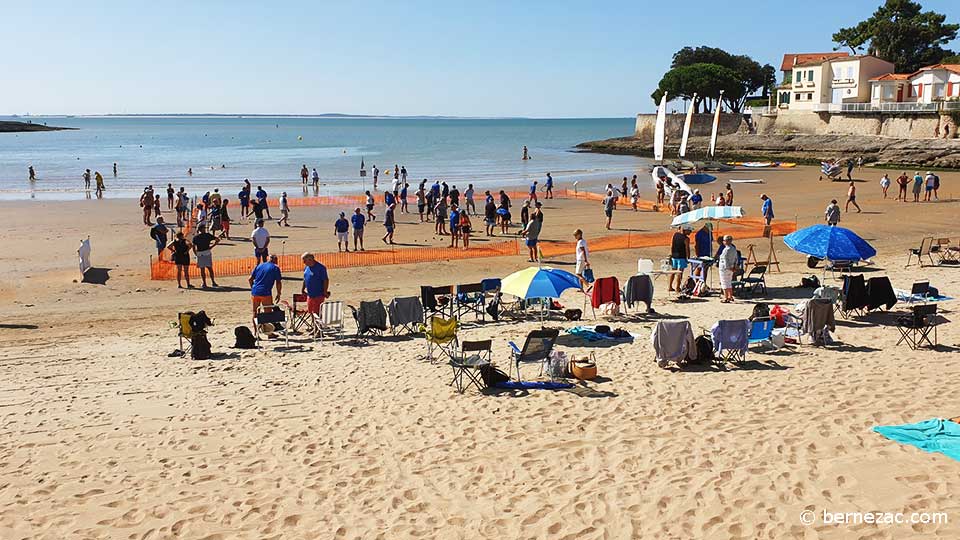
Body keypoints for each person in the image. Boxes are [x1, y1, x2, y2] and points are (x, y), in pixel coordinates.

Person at [249, 254, 282, 331]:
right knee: (268, 313)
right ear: (275, 260)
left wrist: (253, 288)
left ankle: (256, 332)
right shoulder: (275, 268)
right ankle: (269, 333)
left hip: (255, 292)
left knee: (255, 312)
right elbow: (278, 282)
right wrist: (279, 293)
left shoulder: (259, 266)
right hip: (266, 293)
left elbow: (250, 279)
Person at [301, 253, 330, 325]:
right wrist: (302, 289)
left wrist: (325, 291)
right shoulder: (306, 267)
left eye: (305, 260)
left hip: (318, 294)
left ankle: (319, 330)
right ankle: (314, 328)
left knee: (317, 313)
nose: (303, 262)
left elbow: (325, 280)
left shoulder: (321, 268)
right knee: (311, 312)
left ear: (310, 259)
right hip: (309, 294)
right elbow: (305, 279)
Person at [668, 226, 691, 294]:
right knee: (680, 272)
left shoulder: (675, 235)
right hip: (681, 257)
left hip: (674, 256)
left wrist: (671, 254)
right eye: (689, 230)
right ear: (685, 230)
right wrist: (688, 258)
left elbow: (671, 245)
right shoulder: (686, 239)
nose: (690, 232)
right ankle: (677, 288)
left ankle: (670, 286)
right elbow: (687, 249)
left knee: (673, 271)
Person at [718, 235, 738, 303]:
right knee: (729, 282)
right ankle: (730, 296)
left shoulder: (726, 250)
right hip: (731, 267)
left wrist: (728, 268)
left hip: (725, 268)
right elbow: (736, 259)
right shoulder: (733, 248)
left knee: (724, 282)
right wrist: (734, 267)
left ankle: (726, 297)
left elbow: (725, 260)